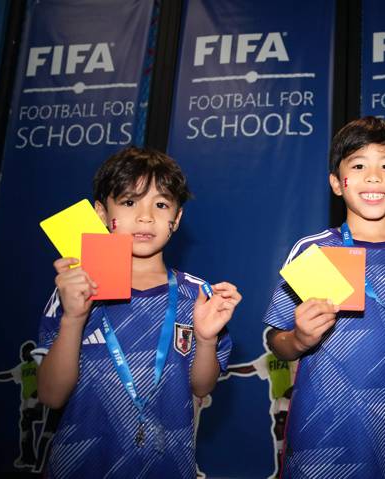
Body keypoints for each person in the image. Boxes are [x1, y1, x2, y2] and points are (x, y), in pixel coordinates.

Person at [263, 116, 385, 478]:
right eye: (358, 165)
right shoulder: (314, 251)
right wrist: (299, 338)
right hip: (320, 441)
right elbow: (277, 343)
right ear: (336, 184)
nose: (372, 177)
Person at [32, 146, 242, 478]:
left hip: (168, 466)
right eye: (129, 202)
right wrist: (73, 319)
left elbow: (202, 387)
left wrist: (205, 339)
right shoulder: (76, 288)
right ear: (101, 213)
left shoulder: (197, 294)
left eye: (161, 204)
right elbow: (51, 395)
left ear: (177, 218)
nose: (146, 217)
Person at [219, 327, 298, 478]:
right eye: (268, 342)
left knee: (284, 429)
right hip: (279, 400)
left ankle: (291, 465)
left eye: (271, 340)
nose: (268, 344)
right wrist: (228, 369)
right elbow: (250, 368)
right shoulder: (269, 358)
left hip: (292, 400)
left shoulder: (292, 356)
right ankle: (280, 469)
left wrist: (292, 390)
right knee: (278, 432)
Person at [0, 340, 44, 469]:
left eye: (24, 352)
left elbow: (47, 377)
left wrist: (39, 391)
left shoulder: (39, 364)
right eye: (22, 353)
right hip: (26, 404)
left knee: (28, 424)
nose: (22, 355)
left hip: (39, 401)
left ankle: (30, 457)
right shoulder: (23, 367)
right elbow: (8, 374)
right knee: (26, 427)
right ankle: (28, 457)